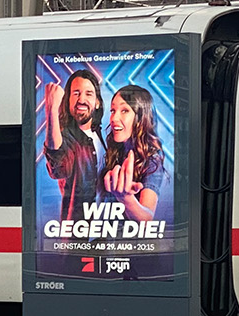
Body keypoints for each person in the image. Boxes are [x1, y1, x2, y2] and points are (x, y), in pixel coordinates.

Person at [42, 68, 106, 221]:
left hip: (105, 229)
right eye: (76, 93)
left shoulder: (101, 134)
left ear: (97, 103)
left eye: (88, 94)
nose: (81, 99)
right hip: (78, 231)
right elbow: (58, 167)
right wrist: (51, 110)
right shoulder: (66, 139)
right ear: (68, 101)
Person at [98, 85, 166, 223]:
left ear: (141, 117)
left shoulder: (152, 159)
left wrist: (125, 198)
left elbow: (147, 218)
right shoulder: (114, 151)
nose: (114, 118)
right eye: (113, 110)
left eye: (124, 110)